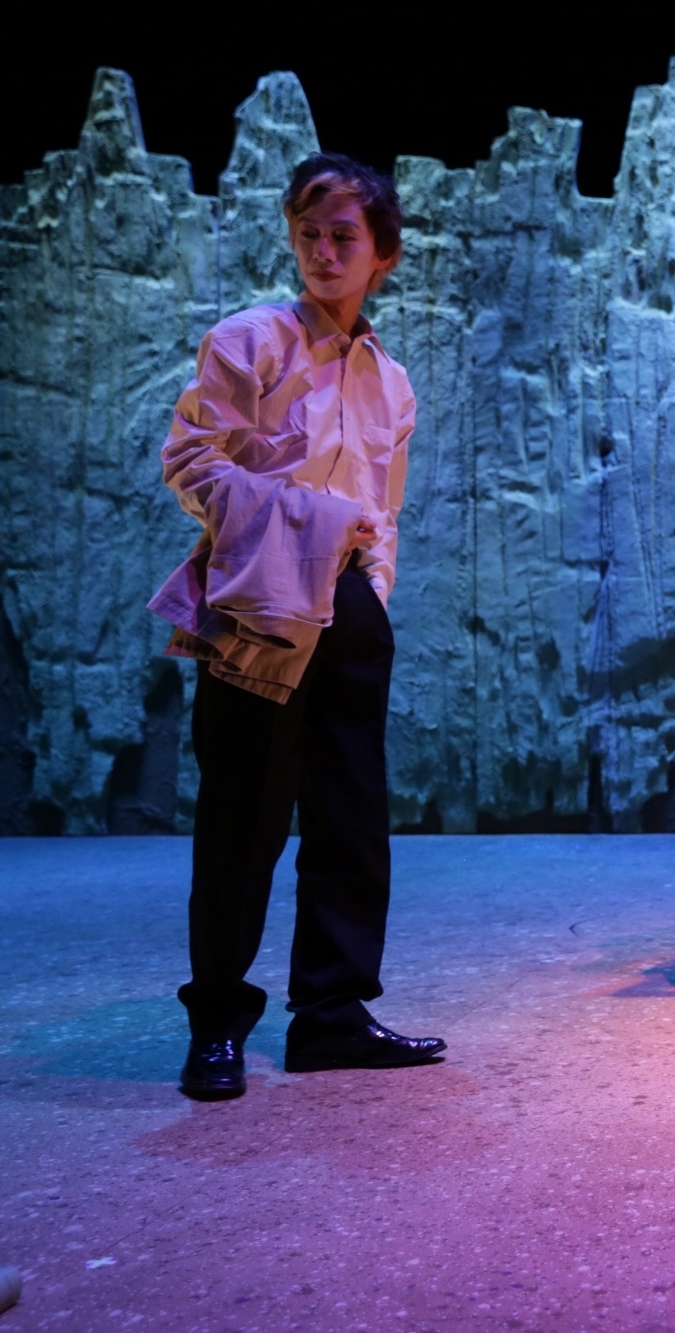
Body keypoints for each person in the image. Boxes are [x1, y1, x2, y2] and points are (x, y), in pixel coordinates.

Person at [149, 153, 441, 1101]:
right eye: (308, 232)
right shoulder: (250, 341)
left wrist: (370, 587)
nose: (323, 250)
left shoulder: (391, 381)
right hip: (262, 602)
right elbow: (192, 461)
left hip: (348, 606)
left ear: (382, 254)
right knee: (244, 814)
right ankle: (218, 1021)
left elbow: (384, 506)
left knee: (352, 816)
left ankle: (332, 1013)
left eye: (343, 235)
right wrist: (307, 521)